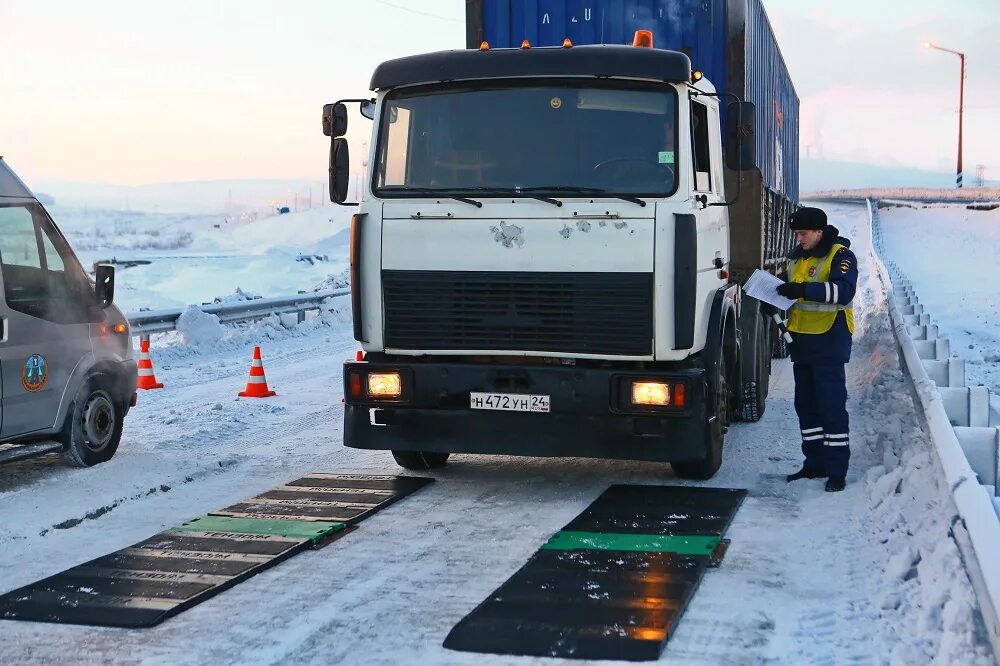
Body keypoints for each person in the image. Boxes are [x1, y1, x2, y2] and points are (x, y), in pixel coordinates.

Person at [775, 206, 858, 492]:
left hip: (829, 341)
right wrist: (772, 298)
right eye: (797, 233)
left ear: (819, 232)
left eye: (803, 233)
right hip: (802, 342)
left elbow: (843, 292)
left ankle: (837, 470)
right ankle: (814, 463)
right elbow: (790, 292)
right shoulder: (799, 258)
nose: (799, 238)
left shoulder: (841, 256)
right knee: (806, 408)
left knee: (831, 408)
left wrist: (803, 290)